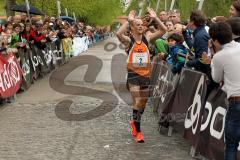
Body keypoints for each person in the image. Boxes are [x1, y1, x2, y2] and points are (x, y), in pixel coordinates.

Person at [116, 8, 167, 143]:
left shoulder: (147, 38)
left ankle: (134, 121)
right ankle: (138, 132)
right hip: (133, 75)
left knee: (142, 103)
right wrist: (128, 20)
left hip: (146, 74)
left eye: (141, 24)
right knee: (137, 101)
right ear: (132, 28)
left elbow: (163, 31)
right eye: (137, 24)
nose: (140, 26)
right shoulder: (129, 40)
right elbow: (118, 33)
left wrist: (156, 18)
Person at [209, 21, 240, 160]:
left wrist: (213, 56)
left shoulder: (219, 56)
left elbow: (216, 78)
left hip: (236, 101)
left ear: (215, 41)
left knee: (232, 144)